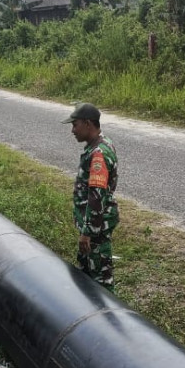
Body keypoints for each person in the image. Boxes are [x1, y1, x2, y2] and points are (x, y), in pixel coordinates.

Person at [63, 103, 119, 290]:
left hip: (96, 227)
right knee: (87, 270)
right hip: (92, 225)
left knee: (101, 279)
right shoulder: (97, 146)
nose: (72, 130)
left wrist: (87, 233)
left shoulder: (99, 155)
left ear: (88, 124)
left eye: (75, 125)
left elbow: (96, 197)